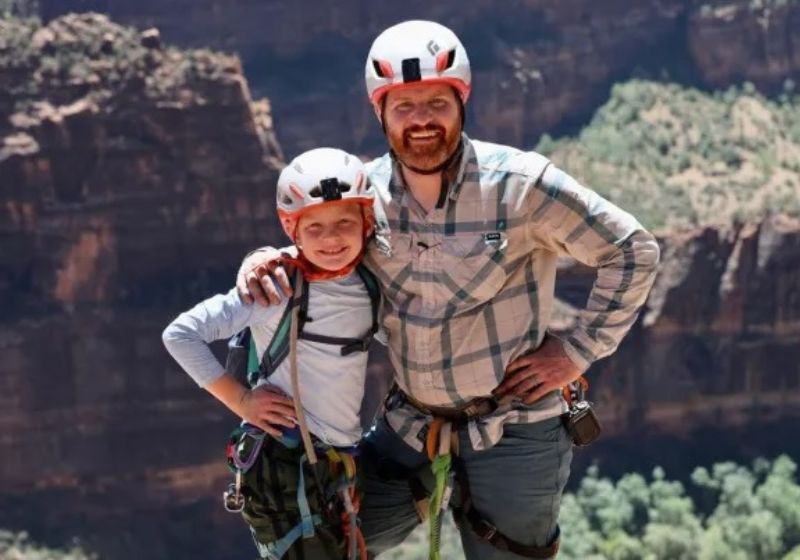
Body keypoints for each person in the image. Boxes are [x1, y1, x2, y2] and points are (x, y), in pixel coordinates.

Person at [236, 20, 661, 560]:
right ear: (379, 112)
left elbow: (632, 249)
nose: (421, 121)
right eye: (403, 106)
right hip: (411, 424)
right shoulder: (365, 200)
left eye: (435, 102)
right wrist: (262, 260)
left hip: (518, 427)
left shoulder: (521, 185)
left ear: (461, 100)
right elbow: (315, 248)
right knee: (322, 544)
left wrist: (575, 351)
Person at [163, 148, 380, 560]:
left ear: (367, 222)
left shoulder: (368, 282)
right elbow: (181, 334)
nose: (331, 238)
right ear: (290, 227)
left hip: (339, 461)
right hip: (288, 466)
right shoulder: (273, 289)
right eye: (314, 226)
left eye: (345, 223)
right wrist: (242, 401)